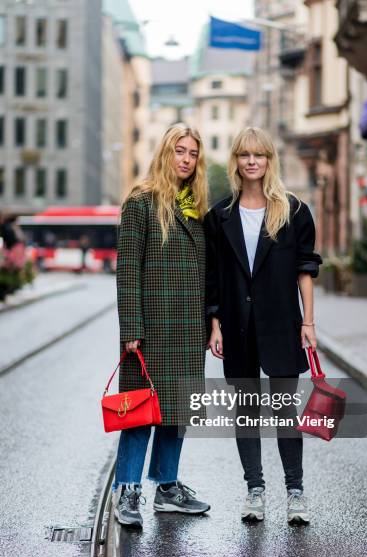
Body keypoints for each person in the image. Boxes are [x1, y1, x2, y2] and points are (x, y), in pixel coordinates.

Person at [204, 127, 322, 525]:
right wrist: (215, 323)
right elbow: (214, 275)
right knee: (247, 411)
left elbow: (306, 269)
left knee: (285, 412)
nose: (252, 161)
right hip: (237, 324)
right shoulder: (218, 217)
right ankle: (255, 490)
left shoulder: (294, 211)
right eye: (244, 155)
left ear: (270, 160)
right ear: (236, 161)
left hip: (282, 323)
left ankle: (295, 493)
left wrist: (308, 320)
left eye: (260, 155)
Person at [113, 123, 210, 528]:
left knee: (176, 412)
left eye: (192, 153)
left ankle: (167, 487)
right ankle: (128, 490)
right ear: (165, 153)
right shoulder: (141, 201)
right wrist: (131, 326)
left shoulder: (198, 207)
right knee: (138, 413)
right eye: (179, 151)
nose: (185, 159)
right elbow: (128, 269)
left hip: (188, 329)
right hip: (149, 330)